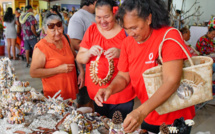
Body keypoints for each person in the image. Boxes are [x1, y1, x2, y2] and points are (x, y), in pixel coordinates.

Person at [94, 0, 195, 133]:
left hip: (174, 118)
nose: (131, 33)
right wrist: (110, 89)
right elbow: (124, 76)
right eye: (126, 29)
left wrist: (140, 112)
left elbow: (172, 81)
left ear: (148, 18)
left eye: (134, 27)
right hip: (149, 115)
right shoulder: (128, 43)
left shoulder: (169, 36)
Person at [77, 0, 136, 119]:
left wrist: (121, 53)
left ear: (114, 13)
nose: (102, 21)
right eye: (98, 17)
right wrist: (88, 53)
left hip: (121, 95)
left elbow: (137, 58)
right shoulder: (92, 30)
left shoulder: (126, 32)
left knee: (119, 128)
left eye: (106, 16)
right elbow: (80, 57)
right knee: (102, 126)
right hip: (98, 95)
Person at [30, 13, 84, 100]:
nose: (58, 33)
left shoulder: (66, 38)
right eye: (53, 31)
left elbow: (75, 56)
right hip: (54, 96)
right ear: (44, 30)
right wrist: (59, 69)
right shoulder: (41, 47)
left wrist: (81, 72)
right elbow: (33, 72)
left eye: (60, 29)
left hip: (69, 90)